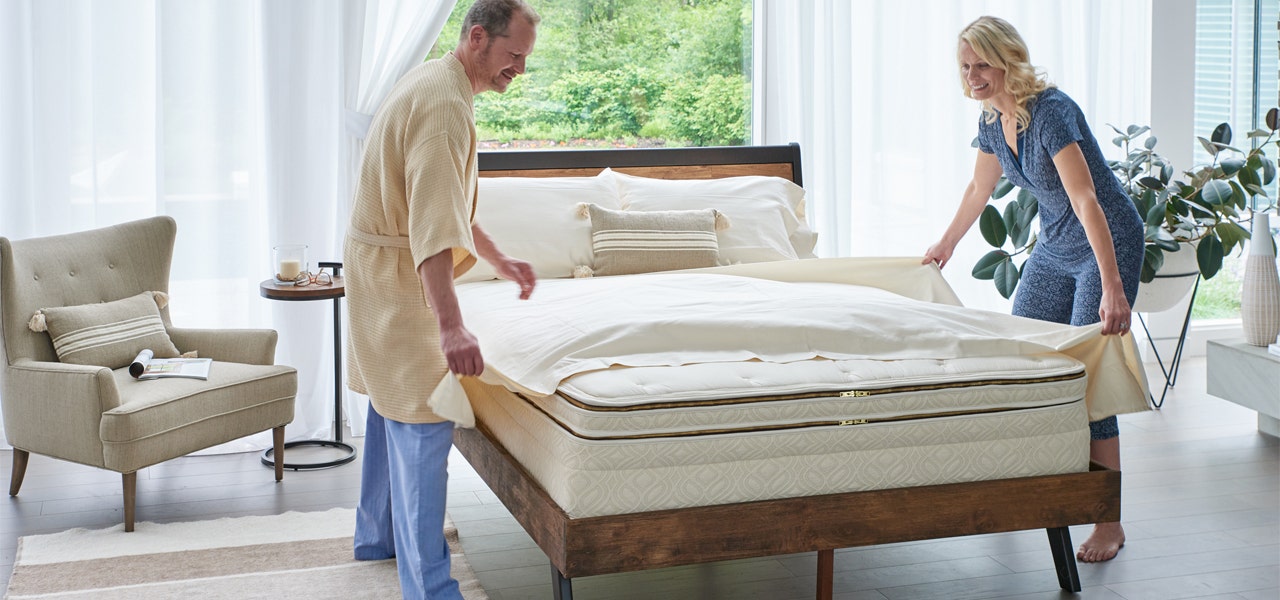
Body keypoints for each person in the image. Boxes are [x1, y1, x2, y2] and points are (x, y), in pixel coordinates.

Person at [922, 16, 1144, 563]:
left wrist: (1112, 287)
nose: (972, 75)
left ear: (1008, 59)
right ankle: (1030, 487)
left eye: (982, 64)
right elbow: (980, 188)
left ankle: (1108, 523)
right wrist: (945, 245)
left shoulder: (1051, 110)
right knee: (1026, 355)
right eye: (965, 66)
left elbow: (1087, 198)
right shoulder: (993, 122)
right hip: (1053, 246)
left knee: (1089, 373)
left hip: (1104, 241)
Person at [342, 1, 540, 597]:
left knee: (388, 403)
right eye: (514, 56)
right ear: (478, 38)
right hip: (398, 271)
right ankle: (430, 588)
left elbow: (441, 201)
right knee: (424, 415)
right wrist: (451, 327)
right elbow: (431, 227)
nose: (520, 71)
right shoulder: (445, 107)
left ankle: (378, 536)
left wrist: (499, 259)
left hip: (378, 260)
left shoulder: (438, 80)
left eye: (526, 60)